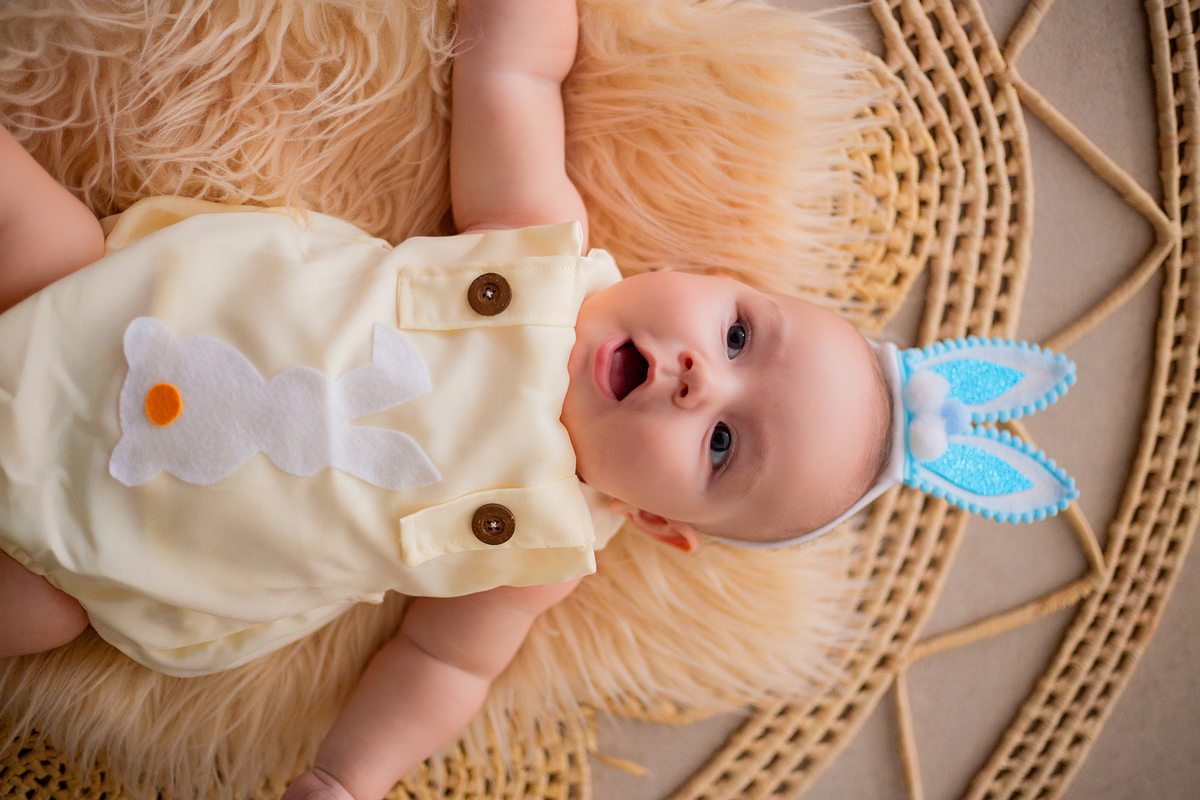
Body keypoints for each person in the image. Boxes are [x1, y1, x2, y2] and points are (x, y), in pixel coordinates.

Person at [1, 1, 1075, 799]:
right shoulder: (541, 258)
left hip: (107, 546)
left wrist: (347, 776)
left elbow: (439, 663)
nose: (706, 376)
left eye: (720, 444)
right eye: (740, 332)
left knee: (37, 617)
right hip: (114, 315)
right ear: (713, 275)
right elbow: (510, 77)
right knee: (38, 234)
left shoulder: (543, 548)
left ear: (659, 522)